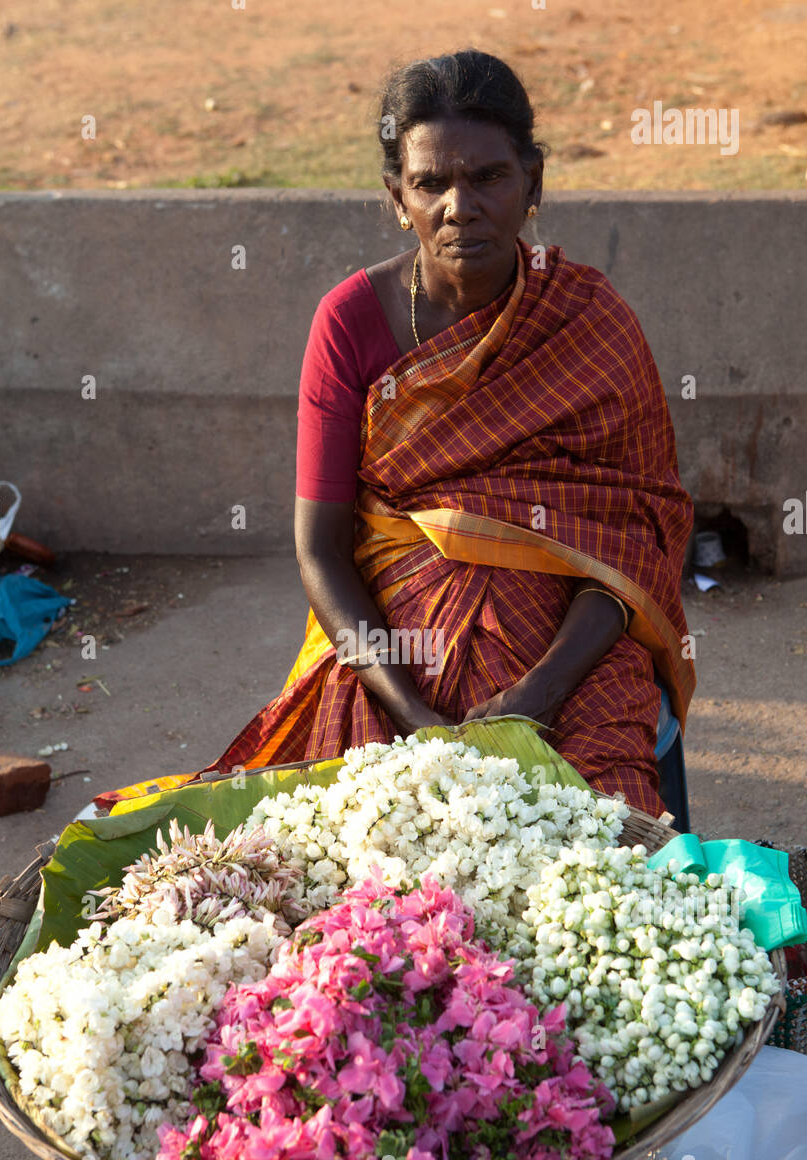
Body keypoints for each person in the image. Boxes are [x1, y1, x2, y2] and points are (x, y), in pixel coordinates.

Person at [94, 48, 694, 820]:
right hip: (395, 657)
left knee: (603, 841)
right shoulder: (348, 323)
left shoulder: (588, 319)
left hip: (566, 657)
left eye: (488, 177)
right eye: (430, 183)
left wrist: (536, 693)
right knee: (363, 845)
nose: (459, 206)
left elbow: (637, 532)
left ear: (533, 183)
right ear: (395, 197)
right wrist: (412, 714)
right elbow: (321, 548)